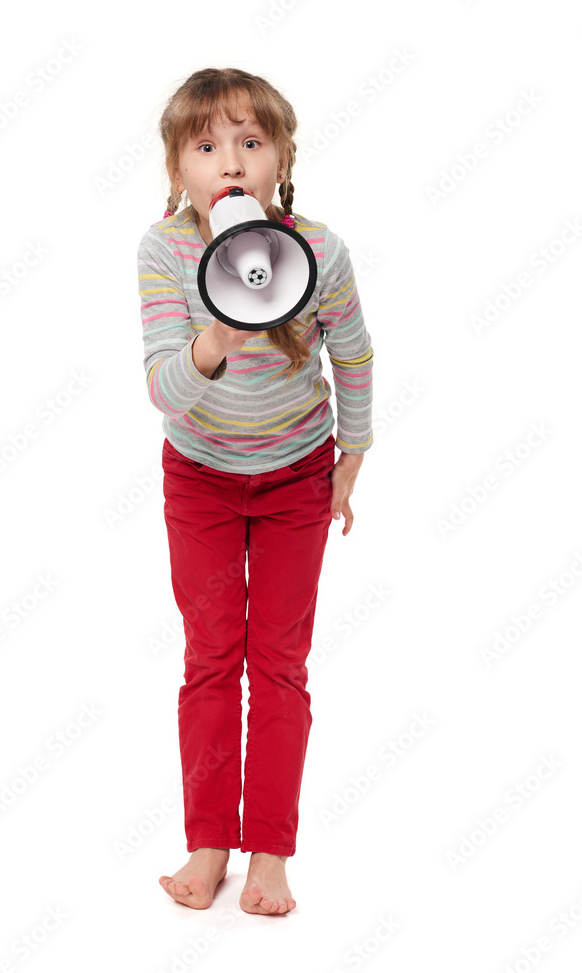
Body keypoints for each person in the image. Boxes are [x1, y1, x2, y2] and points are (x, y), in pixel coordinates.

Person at [137, 68, 374, 915]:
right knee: (210, 658)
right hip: (199, 480)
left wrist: (353, 452)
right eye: (205, 146)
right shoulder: (164, 251)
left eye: (249, 141)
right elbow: (166, 391)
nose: (228, 160)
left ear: (280, 159)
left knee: (278, 663)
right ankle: (208, 841)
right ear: (178, 172)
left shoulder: (318, 249)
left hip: (295, 478)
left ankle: (269, 851)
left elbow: (351, 353)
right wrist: (216, 334)